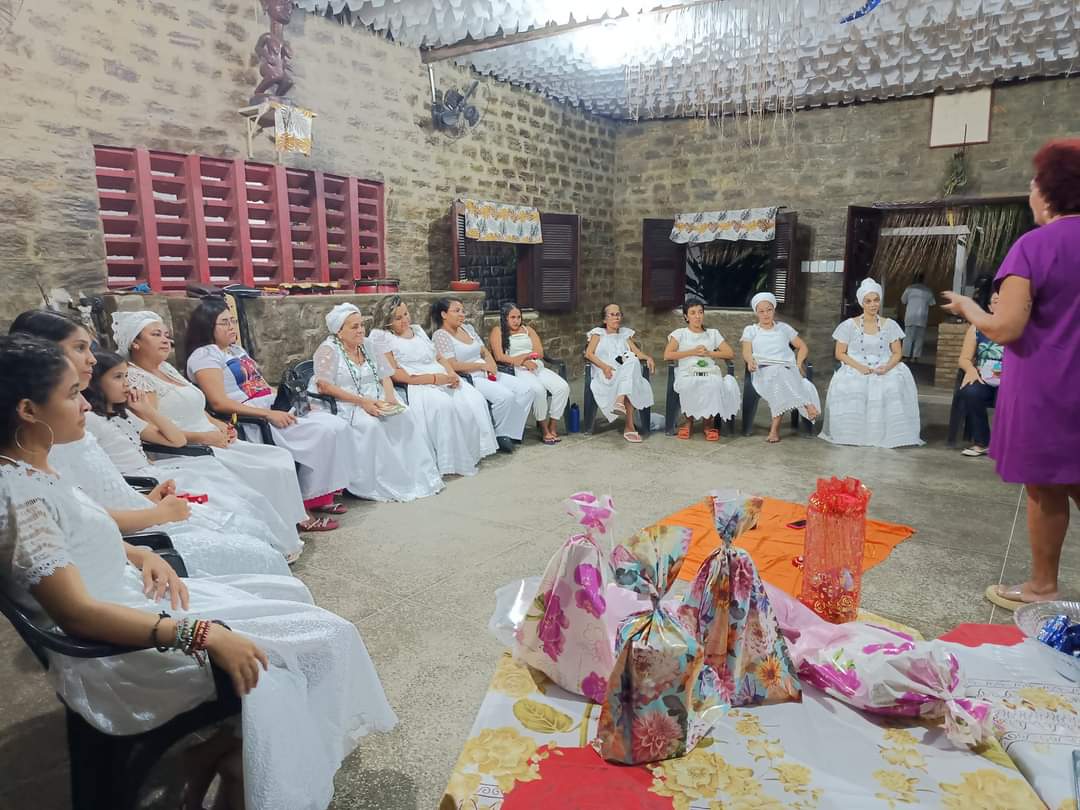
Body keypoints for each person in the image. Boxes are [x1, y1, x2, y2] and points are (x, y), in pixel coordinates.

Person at [0, 333, 396, 810]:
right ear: (28, 410)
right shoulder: (21, 498)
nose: (86, 404)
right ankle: (240, 764)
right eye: (71, 395)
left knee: (295, 604)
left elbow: (80, 530)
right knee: (318, 643)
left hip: (136, 602)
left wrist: (138, 554)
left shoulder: (31, 469)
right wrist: (200, 633)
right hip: (120, 655)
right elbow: (78, 614)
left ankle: (231, 754)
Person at [9, 311, 299, 573]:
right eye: (80, 348)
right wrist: (154, 515)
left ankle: (290, 529)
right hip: (136, 519)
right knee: (246, 527)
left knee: (249, 508)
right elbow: (78, 518)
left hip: (139, 504)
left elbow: (89, 503)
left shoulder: (89, 420)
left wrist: (149, 503)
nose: (92, 359)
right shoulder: (48, 444)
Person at [942, 138, 1080, 610]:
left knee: (1045, 487)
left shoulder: (1033, 247)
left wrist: (968, 307)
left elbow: (1005, 327)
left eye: (1033, 185)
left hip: (1048, 385)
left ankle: (1042, 586)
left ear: (1051, 192)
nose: (1030, 194)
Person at [113, 311, 331, 534]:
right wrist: (204, 437)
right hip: (187, 448)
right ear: (134, 343)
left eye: (166, 335)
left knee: (279, 458)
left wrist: (220, 425)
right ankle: (279, 528)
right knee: (266, 469)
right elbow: (151, 429)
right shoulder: (136, 379)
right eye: (156, 335)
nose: (165, 340)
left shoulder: (166, 369)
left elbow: (195, 407)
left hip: (213, 437)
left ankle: (290, 520)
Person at [84, 348, 306, 555]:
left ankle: (276, 541)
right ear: (95, 383)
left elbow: (177, 439)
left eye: (126, 376)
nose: (126, 384)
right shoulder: (91, 420)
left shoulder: (124, 415)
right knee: (224, 503)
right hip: (141, 478)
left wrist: (148, 411)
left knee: (241, 495)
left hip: (156, 471)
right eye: (117, 377)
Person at [185, 298, 358, 518]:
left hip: (271, 406)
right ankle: (307, 497)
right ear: (207, 326)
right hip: (252, 416)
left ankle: (321, 495)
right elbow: (219, 402)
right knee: (322, 431)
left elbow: (263, 385)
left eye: (232, 321)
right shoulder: (204, 356)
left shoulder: (236, 350)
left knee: (336, 424)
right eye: (224, 323)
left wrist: (297, 403)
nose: (231, 327)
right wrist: (269, 414)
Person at [309, 303, 443, 501]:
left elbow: (385, 374)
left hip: (376, 396)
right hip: (347, 402)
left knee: (404, 415)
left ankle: (409, 476)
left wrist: (389, 398)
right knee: (370, 426)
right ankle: (373, 482)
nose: (360, 330)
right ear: (339, 331)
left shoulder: (368, 345)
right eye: (354, 327)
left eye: (361, 325)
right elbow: (324, 386)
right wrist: (363, 402)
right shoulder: (328, 350)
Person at [370, 296, 497, 476]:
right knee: (444, 406)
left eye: (406, 314)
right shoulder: (381, 337)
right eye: (398, 318)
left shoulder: (417, 330)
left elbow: (439, 357)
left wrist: (451, 374)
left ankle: (470, 452)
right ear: (386, 320)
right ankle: (448, 460)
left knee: (473, 400)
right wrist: (435, 379)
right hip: (418, 380)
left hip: (442, 374)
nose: (405, 320)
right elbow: (396, 374)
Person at [819, 278, 923, 448]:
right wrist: (860, 367)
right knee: (855, 385)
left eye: (876, 300)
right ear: (862, 303)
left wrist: (887, 367)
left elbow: (897, 353)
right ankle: (852, 433)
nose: (873, 304)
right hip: (857, 365)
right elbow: (840, 353)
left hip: (884, 365)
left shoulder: (890, 325)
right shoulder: (848, 326)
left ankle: (889, 434)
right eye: (868, 301)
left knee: (892, 384)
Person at [432, 297, 533, 453]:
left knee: (526, 391)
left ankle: (511, 432)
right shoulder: (441, 335)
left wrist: (492, 365)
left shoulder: (467, 328)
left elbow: (484, 351)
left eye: (462, 311)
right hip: (471, 377)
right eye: (456, 311)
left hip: (487, 370)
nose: (462, 314)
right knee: (505, 397)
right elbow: (452, 365)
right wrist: (480, 366)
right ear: (444, 314)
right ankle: (500, 435)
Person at [740, 292, 820, 443]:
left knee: (780, 377)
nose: (765, 314)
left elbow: (803, 346)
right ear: (756, 313)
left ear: (774, 310)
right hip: (762, 371)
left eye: (769, 310)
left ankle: (774, 431)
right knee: (779, 374)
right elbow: (746, 351)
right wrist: (750, 361)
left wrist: (798, 363)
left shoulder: (784, 328)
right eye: (761, 311)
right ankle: (806, 403)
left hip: (787, 369)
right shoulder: (751, 330)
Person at [489, 302, 570, 445]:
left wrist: (529, 358)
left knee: (562, 387)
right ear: (505, 318)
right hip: (518, 369)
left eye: (519, 317)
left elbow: (539, 352)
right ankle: (544, 428)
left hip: (537, 366)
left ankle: (553, 424)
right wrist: (524, 360)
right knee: (538, 390)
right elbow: (500, 356)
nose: (516, 321)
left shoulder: (528, 330)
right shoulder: (498, 331)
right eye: (512, 317)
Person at [663, 297, 740, 441]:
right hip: (687, 371)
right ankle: (689, 421)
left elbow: (730, 353)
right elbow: (667, 355)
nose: (697, 316)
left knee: (713, 383)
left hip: (708, 370)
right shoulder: (679, 333)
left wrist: (709, 353)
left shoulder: (713, 333)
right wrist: (692, 352)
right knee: (689, 384)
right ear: (686, 316)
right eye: (693, 313)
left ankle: (707, 423)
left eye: (700, 312)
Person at [584, 303, 655, 443]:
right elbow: (589, 354)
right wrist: (604, 367)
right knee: (630, 372)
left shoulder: (625, 334)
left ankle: (620, 400)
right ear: (604, 319)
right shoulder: (598, 333)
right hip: (607, 373)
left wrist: (648, 358)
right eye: (612, 315)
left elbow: (636, 352)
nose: (616, 317)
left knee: (632, 360)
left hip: (624, 370)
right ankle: (629, 426)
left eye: (618, 314)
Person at [955, 291, 1004, 458]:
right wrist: (971, 370)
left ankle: (1007, 444)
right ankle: (982, 442)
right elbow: (964, 358)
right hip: (984, 378)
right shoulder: (977, 327)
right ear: (990, 307)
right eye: (996, 301)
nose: (1000, 304)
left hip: (1010, 381)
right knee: (971, 392)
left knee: (1010, 397)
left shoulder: (1019, 328)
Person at [900, 273, 936, 361]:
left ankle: (906, 355)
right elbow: (932, 303)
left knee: (908, 337)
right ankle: (915, 357)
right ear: (923, 280)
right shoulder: (928, 291)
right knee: (919, 338)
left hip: (910, 316)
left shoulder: (909, 289)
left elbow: (903, 301)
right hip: (922, 317)